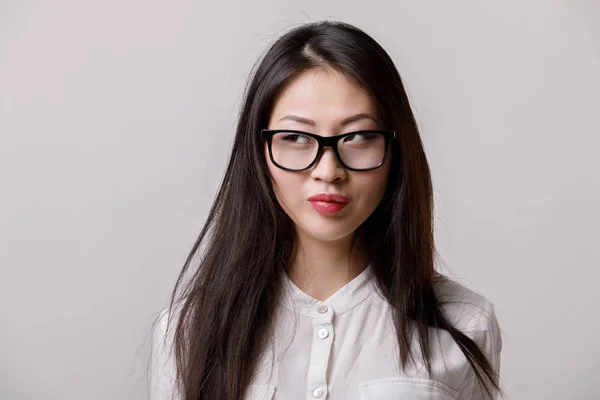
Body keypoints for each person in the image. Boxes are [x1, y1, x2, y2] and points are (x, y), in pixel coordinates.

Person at [148, 20, 504, 400]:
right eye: (296, 137)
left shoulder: (464, 323)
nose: (328, 171)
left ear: (396, 154)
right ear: (259, 153)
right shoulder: (187, 333)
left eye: (358, 137)